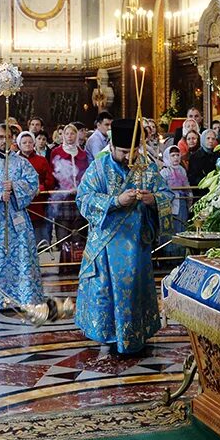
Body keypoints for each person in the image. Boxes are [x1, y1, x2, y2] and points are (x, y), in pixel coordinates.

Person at [75, 119, 173, 355]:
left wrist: (153, 200)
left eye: (132, 151)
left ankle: (136, 334)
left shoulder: (147, 168)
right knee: (106, 292)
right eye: (122, 151)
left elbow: (166, 194)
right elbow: (83, 198)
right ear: (111, 146)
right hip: (107, 245)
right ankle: (108, 336)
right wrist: (116, 202)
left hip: (137, 246)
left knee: (134, 290)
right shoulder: (99, 168)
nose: (128, 157)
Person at [0, 123, 43, 312]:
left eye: (8, 137)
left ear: (13, 139)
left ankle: (23, 296)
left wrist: (15, 187)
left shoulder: (22, 163)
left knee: (21, 258)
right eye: (1, 137)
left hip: (17, 219)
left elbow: (33, 183)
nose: (4, 141)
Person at [49, 123, 90, 263]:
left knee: (79, 230)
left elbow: (86, 173)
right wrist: (64, 186)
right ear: (63, 135)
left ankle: (78, 262)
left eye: (72, 134)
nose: (70, 137)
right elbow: (54, 172)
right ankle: (64, 262)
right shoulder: (56, 152)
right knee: (63, 229)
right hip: (63, 197)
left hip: (78, 197)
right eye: (67, 134)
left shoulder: (83, 154)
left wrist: (80, 187)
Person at [17, 131, 57, 247]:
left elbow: (50, 180)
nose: (28, 144)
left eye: (30, 142)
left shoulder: (42, 160)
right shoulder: (14, 160)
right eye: (24, 142)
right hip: (21, 206)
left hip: (38, 203)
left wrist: (41, 187)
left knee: (40, 239)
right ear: (19, 144)